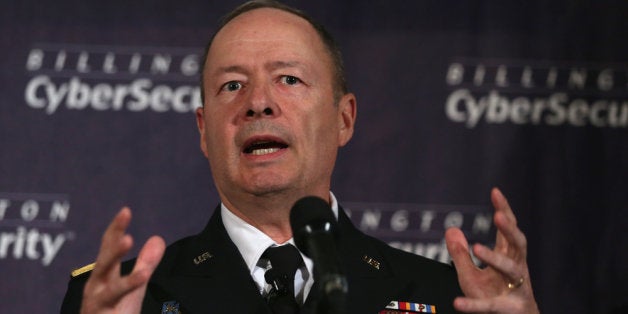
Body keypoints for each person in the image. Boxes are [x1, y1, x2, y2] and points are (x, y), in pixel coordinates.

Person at [61, 1, 540, 313]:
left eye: (288, 79)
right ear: (204, 132)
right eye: (232, 85)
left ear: (344, 120)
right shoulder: (123, 299)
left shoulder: (445, 296)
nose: (258, 102)